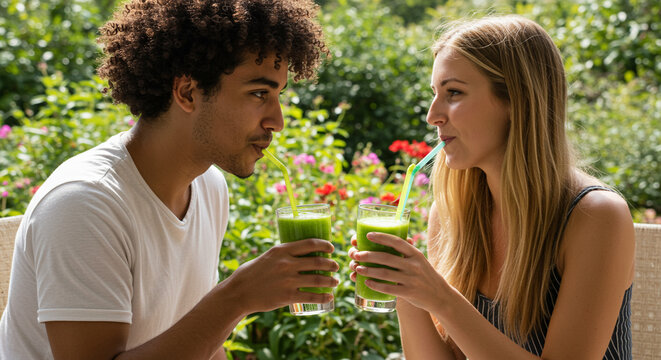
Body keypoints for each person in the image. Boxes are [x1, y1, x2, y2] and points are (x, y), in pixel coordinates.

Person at [0, 1, 339, 359]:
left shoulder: (208, 187)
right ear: (187, 93)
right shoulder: (85, 203)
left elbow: (201, 347)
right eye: (259, 93)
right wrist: (236, 298)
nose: (277, 120)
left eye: (278, 95)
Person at [349, 15, 634, 359]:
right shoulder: (452, 212)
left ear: (516, 100)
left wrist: (439, 296)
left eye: (453, 92)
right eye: (434, 93)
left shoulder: (595, 216)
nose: (433, 115)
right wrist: (408, 292)